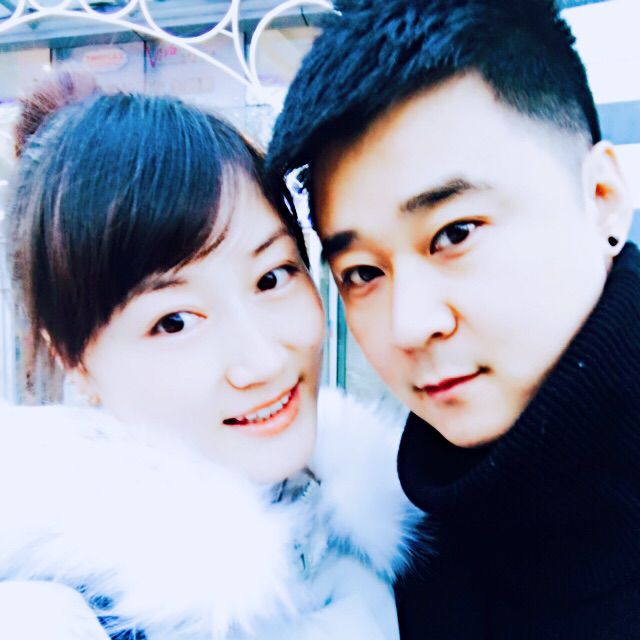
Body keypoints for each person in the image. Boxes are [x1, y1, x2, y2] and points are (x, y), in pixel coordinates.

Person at [0, 69, 419, 639]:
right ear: (74, 363)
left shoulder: (385, 524)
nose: (264, 361)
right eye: (174, 321)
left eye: (272, 277)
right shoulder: (57, 617)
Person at [266, 0, 640, 637]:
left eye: (455, 233)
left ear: (602, 197)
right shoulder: (384, 558)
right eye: (362, 273)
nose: (409, 326)